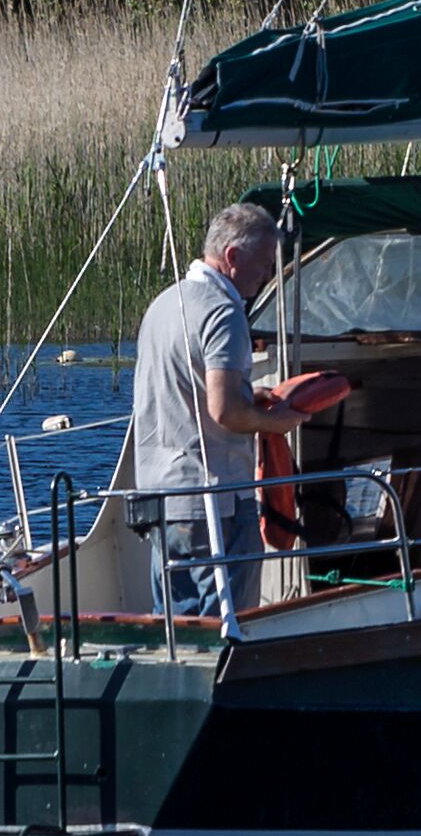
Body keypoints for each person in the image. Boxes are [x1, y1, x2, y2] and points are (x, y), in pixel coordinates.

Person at [126, 202, 349, 627]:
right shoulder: (223, 312)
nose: (266, 276)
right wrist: (275, 422)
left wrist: (251, 392)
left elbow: (187, 388)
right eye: (264, 264)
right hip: (212, 500)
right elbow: (225, 410)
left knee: (172, 621)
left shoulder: (163, 304)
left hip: (157, 497)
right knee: (226, 624)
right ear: (232, 257)